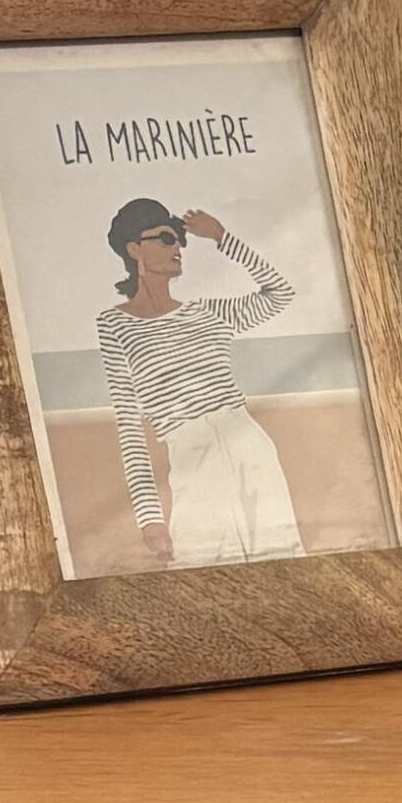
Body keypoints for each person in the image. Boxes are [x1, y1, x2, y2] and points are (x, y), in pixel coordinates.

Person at [96, 199, 303, 567]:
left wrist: (222, 238)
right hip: (190, 457)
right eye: (164, 238)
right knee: (204, 573)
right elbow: (129, 428)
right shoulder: (115, 326)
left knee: (281, 565)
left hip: (249, 447)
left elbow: (280, 293)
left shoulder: (208, 313)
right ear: (133, 248)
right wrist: (149, 516)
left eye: (180, 239)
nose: (176, 246)